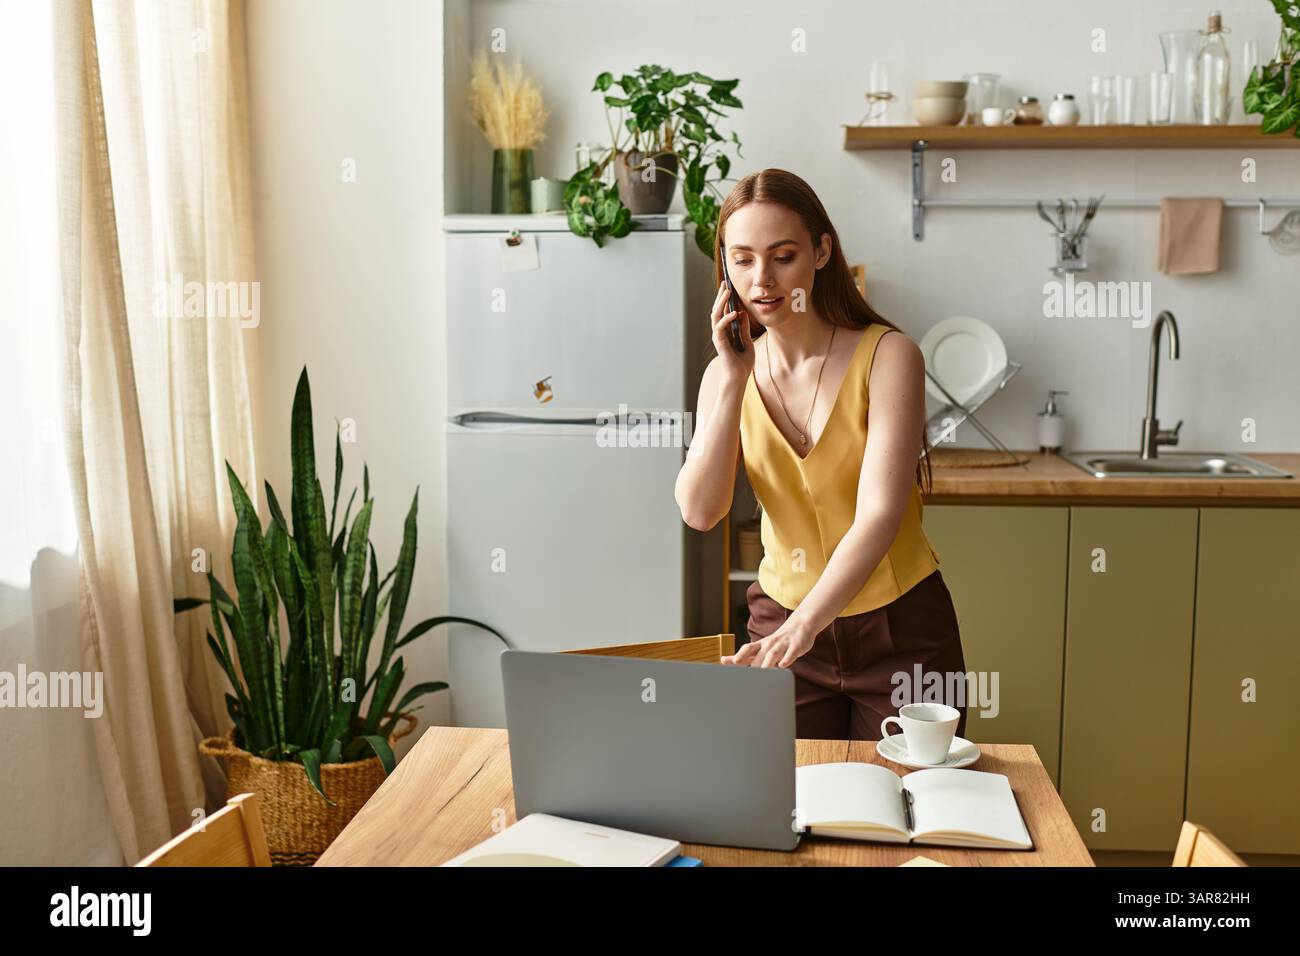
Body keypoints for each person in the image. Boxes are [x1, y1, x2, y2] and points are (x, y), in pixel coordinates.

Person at [674, 168, 968, 742]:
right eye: (742, 259)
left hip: (898, 630)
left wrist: (806, 624)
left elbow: (879, 515)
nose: (762, 280)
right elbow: (700, 511)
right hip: (779, 626)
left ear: (822, 251)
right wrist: (735, 378)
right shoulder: (724, 375)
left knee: (913, 811)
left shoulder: (890, 357)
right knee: (786, 810)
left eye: (783, 256)